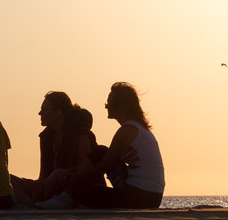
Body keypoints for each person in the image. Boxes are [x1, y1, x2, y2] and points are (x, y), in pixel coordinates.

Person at [36, 82, 165, 209]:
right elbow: (103, 159)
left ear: (119, 105)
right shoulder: (136, 128)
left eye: (109, 102)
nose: (106, 106)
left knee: (80, 188)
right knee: (100, 151)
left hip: (141, 197)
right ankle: (68, 195)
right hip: (150, 196)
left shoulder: (126, 131)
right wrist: (73, 173)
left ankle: (68, 196)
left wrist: (70, 179)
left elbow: (103, 166)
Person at [10, 91, 102, 204]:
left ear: (58, 112)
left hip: (72, 187)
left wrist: (56, 176)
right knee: (8, 179)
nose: (40, 113)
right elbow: (43, 173)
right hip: (49, 185)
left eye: (44, 110)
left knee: (58, 174)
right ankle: (34, 201)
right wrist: (38, 185)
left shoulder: (81, 135)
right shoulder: (46, 136)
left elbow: (84, 172)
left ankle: (43, 201)